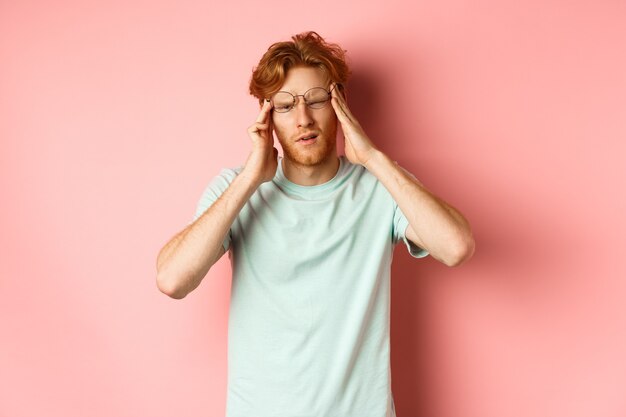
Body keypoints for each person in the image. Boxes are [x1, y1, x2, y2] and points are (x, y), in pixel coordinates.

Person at [156, 31, 475, 417]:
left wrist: (372, 157)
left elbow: (456, 246)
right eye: (286, 106)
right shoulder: (235, 189)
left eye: (317, 100)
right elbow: (172, 279)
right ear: (267, 114)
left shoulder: (380, 186)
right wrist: (249, 180)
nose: (303, 119)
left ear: (339, 103)